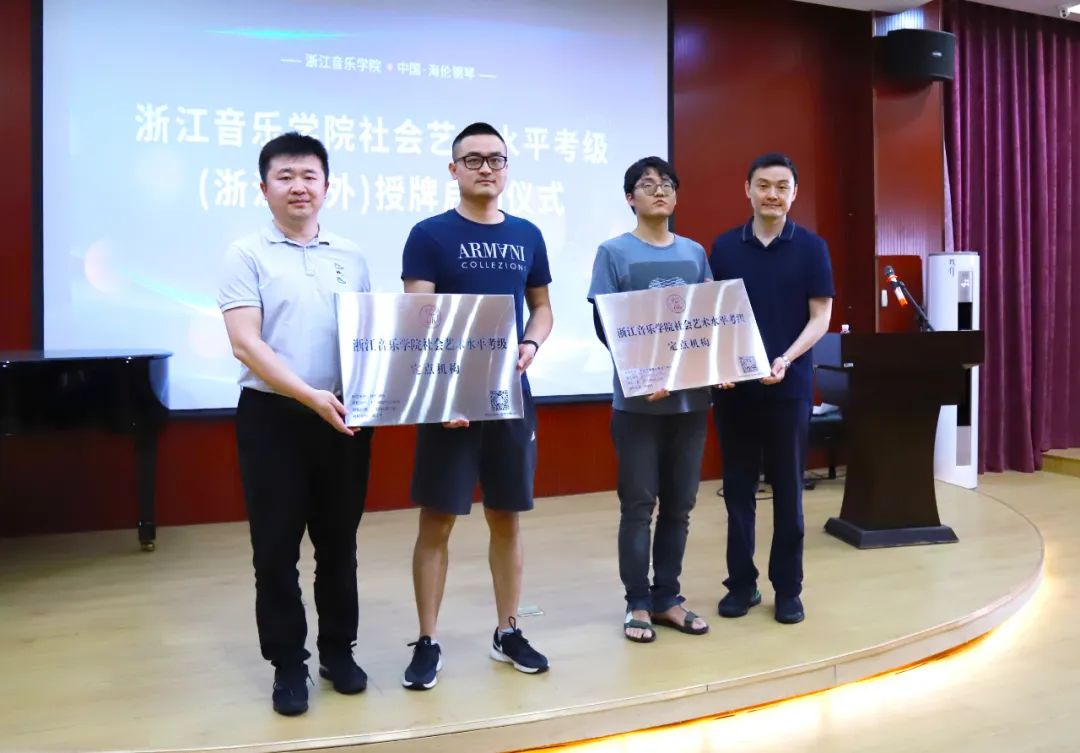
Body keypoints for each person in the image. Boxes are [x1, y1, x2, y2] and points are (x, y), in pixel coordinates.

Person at [218, 132, 373, 716]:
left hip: (344, 417)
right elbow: (246, 344)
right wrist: (308, 395)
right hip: (273, 418)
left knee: (339, 544)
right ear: (264, 188)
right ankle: (288, 664)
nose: (298, 186)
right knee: (275, 549)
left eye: (309, 176)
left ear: (327, 186)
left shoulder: (351, 256)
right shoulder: (245, 253)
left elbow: (369, 338)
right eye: (285, 177)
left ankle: (338, 652)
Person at [399, 122, 554, 689]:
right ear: (454, 169)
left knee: (506, 515)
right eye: (473, 159)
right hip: (448, 398)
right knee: (438, 518)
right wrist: (443, 392)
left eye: (496, 159)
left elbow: (542, 308)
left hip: (509, 395)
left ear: (507, 167)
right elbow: (417, 318)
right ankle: (428, 640)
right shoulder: (429, 234)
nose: (486, 168)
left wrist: (531, 343)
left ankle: (507, 631)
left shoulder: (527, 234)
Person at [588, 157, 712, 643]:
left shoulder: (695, 252)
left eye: (667, 185)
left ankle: (668, 599)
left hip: (691, 404)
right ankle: (636, 601)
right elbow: (607, 325)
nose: (659, 191)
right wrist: (644, 375)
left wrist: (719, 367)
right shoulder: (613, 252)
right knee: (639, 505)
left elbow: (710, 320)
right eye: (647, 185)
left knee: (680, 505)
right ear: (630, 198)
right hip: (637, 405)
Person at [709, 152, 834, 625]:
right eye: (764, 185)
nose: (772, 194)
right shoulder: (724, 248)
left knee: (788, 491)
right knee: (738, 491)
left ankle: (788, 589)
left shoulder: (812, 248)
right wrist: (720, 364)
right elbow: (714, 316)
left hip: (789, 386)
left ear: (794, 193)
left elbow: (820, 317)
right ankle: (741, 585)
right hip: (734, 390)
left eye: (782, 187)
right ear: (748, 189)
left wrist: (787, 357)